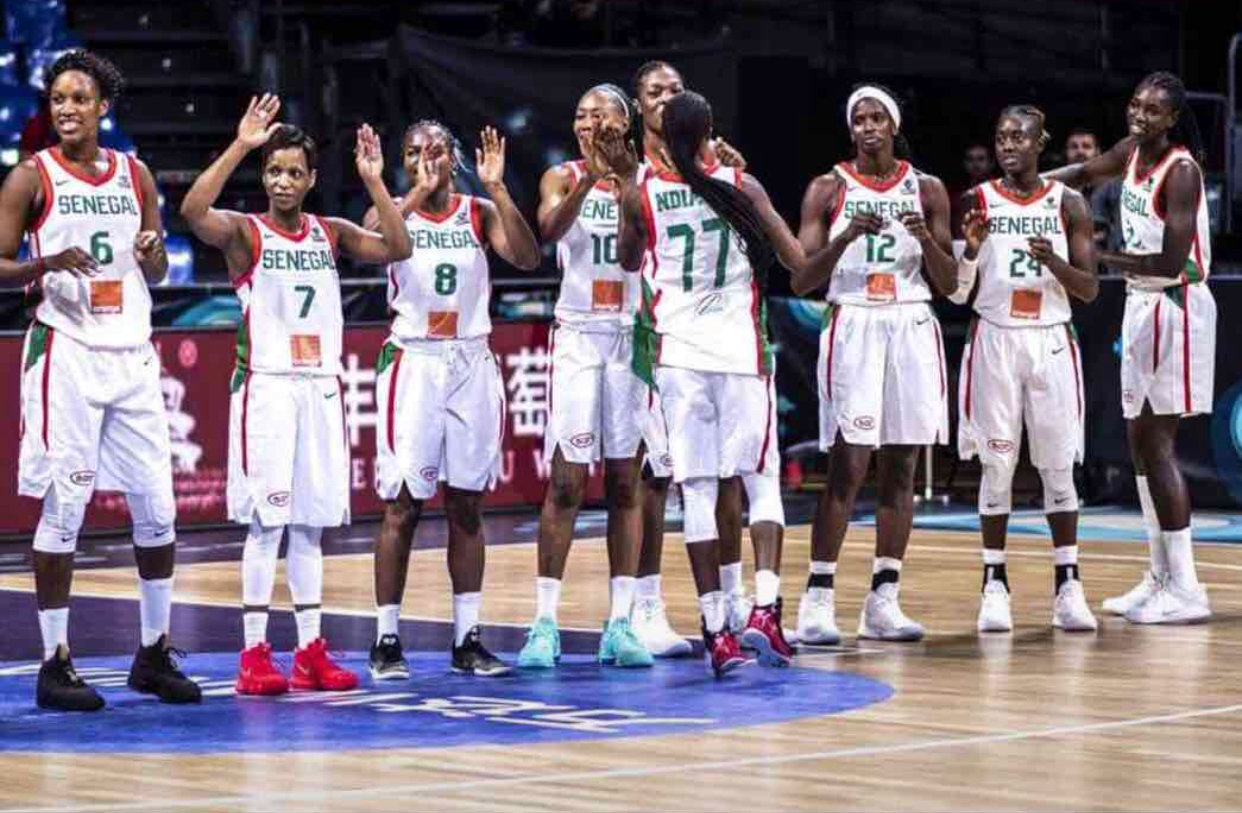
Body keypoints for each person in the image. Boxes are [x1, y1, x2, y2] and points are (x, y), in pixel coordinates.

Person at [179, 95, 413, 694]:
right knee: (266, 523)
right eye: (274, 170)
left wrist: (374, 182)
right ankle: (253, 653)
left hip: (320, 390)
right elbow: (192, 209)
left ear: (311, 180)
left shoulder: (329, 233)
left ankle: (310, 649)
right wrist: (241, 145)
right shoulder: (245, 233)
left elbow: (399, 248)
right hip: (269, 389)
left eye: (293, 172)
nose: (282, 181)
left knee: (309, 525)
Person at [0, 50, 200, 711]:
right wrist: (44, 262)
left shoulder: (134, 174)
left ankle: (153, 649)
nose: (65, 108)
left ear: (102, 108)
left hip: (132, 351)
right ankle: (54, 662)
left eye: (78, 98)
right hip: (68, 350)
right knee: (65, 507)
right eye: (57, 98)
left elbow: (161, 273)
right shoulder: (31, 179)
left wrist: (151, 256)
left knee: (158, 508)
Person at [599, 90, 823, 676]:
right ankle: (767, 608)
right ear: (710, 133)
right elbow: (799, 264)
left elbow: (627, 262)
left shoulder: (641, 193)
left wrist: (630, 185)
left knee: (695, 491)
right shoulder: (742, 186)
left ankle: (715, 630)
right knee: (760, 477)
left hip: (678, 357)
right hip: (739, 352)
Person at [367, 119, 541, 679]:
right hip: (415, 360)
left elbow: (526, 257)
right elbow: (374, 242)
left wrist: (497, 188)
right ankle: (386, 639)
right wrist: (415, 191)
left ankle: (468, 639)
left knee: (466, 505)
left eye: (436, 148)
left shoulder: (476, 211)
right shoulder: (392, 208)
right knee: (403, 504)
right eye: (414, 151)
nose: (426, 158)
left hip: (470, 358)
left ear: (457, 156)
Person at [1048, 72, 1215, 624]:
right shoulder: (1131, 153)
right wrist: (1027, 185)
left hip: (1177, 302)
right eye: (1135, 105)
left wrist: (1101, 260)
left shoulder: (1182, 171)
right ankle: (1160, 574)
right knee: (1138, 444)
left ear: (1171, 118)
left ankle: (1187, 587)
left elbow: (1170, 262)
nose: (1139, 115)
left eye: (1152, 110)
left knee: (1160, 444)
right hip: (1143, 304)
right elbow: (1082, 172)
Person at [793, 84, 957, 644]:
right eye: (859, 119)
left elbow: (950, 282)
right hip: (855, 319)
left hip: (910, 320)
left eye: (877, 117)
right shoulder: (827, 188)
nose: (868, 127)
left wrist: (924, 239)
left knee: (904, 465)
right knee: (849, 464)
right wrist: (843, 242)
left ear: (893, 124)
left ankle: (883, 598)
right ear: (850, 129)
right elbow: (801, 279)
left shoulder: (927, 188)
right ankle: (816, 598)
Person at [624, 60, 776, 656]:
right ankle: (645, 606)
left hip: (700, 338)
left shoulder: (720, 173)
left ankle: (731, 603)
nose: (665, 99)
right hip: (650, 335)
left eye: (673, 91)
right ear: (640, 107)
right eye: (654, 92)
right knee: (658, 477)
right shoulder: (633, 177)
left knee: (723, 476)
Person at [516, 84, 651, 669]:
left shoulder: (646, 179)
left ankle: (620, 624)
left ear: (625, 123)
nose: (587, 122)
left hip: (629, 333)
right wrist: (594, 179)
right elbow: (546, 232)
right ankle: (543, 623)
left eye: (599, 114)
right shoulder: (561, 175)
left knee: (626, 483)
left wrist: (623, 183)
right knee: (567, 482)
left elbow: (629, 256)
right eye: (579, 113)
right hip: (577, 335)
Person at [952, 106, 1100, 633]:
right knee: (996, 465)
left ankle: (1067, 584)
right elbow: (955, 291)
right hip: (994, 336)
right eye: (1001, 138)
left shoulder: (1070, 203)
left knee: (1059, 468)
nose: (1008, 145)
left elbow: (1088, 288)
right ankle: (994, 583)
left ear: (1043, 143)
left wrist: (1053, 262)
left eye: (1019, 137)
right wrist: (969, 253)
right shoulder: (976, 200)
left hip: (1052, 339)